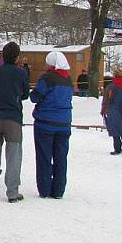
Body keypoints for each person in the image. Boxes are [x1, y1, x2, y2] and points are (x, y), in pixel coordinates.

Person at [0, 42, 29, 203]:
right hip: (13, 118)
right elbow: (25, 94)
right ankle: (12, 192)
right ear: (16, 57)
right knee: (14, 157)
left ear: (2, 55)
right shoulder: (21, 73)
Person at [31, 51, 73, 199]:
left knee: (44, 156)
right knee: (61, 157)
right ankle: (59, 190)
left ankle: (45, 189)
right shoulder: (68, 80)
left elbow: (35, 97)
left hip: (45, 123)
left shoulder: (47, 78)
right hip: (64, 123)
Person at [101, 66, 122, 155]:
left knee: (115, 129)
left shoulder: (111, 87)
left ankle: (117, 148)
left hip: (113, 109)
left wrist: (103, 110)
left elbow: (106, 99)